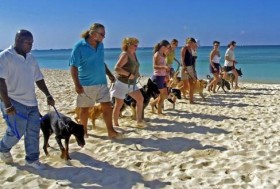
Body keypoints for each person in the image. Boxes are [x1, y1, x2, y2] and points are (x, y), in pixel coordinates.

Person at [0, 29, 55, 169]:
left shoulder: (31, 58)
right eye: (28, 43)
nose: (30, 46)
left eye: (32, 43)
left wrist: (48, 95)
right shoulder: (5, 57)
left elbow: (39, 79)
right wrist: (7, 105)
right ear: (18, 41)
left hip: (31, 102)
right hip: (13, 101)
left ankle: (32, 160)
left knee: (33, 131)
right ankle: (2, 148)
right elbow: (1, 82)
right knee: (16, 131)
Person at [69, 23, 120, 138]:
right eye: (102, 34)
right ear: (92, 33)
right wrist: (77, 85)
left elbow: (101, 62)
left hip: (102, 82)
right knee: (84, 109)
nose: (104, 37)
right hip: (86, 84)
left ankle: (111, 131)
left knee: (107, 106)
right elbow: (73, 66)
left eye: (104, 34)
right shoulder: (79, 46)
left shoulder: (101, 45)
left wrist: (110, 75)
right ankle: (84, 131)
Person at [110, 37, 146, 127]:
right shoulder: (125, 54)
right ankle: (116, 124)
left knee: (140, 99)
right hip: (121, 83)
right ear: (129, 45)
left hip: (131, 84)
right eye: (135, 45)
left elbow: (135, 66)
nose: (137, 47)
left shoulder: (133, 53)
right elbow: (117, 68)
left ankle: (139, 121)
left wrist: (137, 73)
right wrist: (129, 75)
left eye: (137, 45)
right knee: (118, 104)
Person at [150, 40, 170, 114]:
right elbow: (154, 66)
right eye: (167, 47)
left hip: (163, 76)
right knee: (162, 95)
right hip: (158, 76)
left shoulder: (163, 54)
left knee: (165, 95)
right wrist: (164, 67)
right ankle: (159, 112)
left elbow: (165, 67)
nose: (167, 49)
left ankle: (152, 104)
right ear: (163, 47)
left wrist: (167, 74)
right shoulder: (157, 54)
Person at [180, 37, 197, 104]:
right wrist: (185, 68)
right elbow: (182, 59)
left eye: (193, 43)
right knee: (186, 86)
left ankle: (191, 100)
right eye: (193, 43)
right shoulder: (184, 48)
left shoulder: (191, 49)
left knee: (192, 83)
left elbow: (192, 60)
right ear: (189, 42)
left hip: (190, 68)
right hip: (185, 68)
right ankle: (176, 91)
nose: (194, 44)